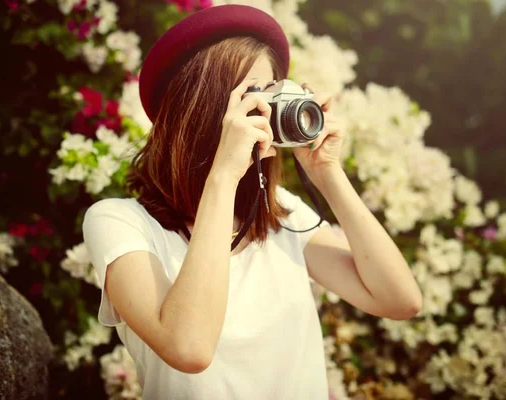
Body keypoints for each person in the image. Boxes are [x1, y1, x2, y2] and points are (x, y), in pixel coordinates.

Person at [82, 4, 423, 400]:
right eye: (250, 95)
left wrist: (327, 173)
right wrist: (223, 175)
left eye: (271, 91)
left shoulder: (281, 214)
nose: (265, 108)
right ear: (200, 106)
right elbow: (188, 348)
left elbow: (400, 300)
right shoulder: (119, 223)